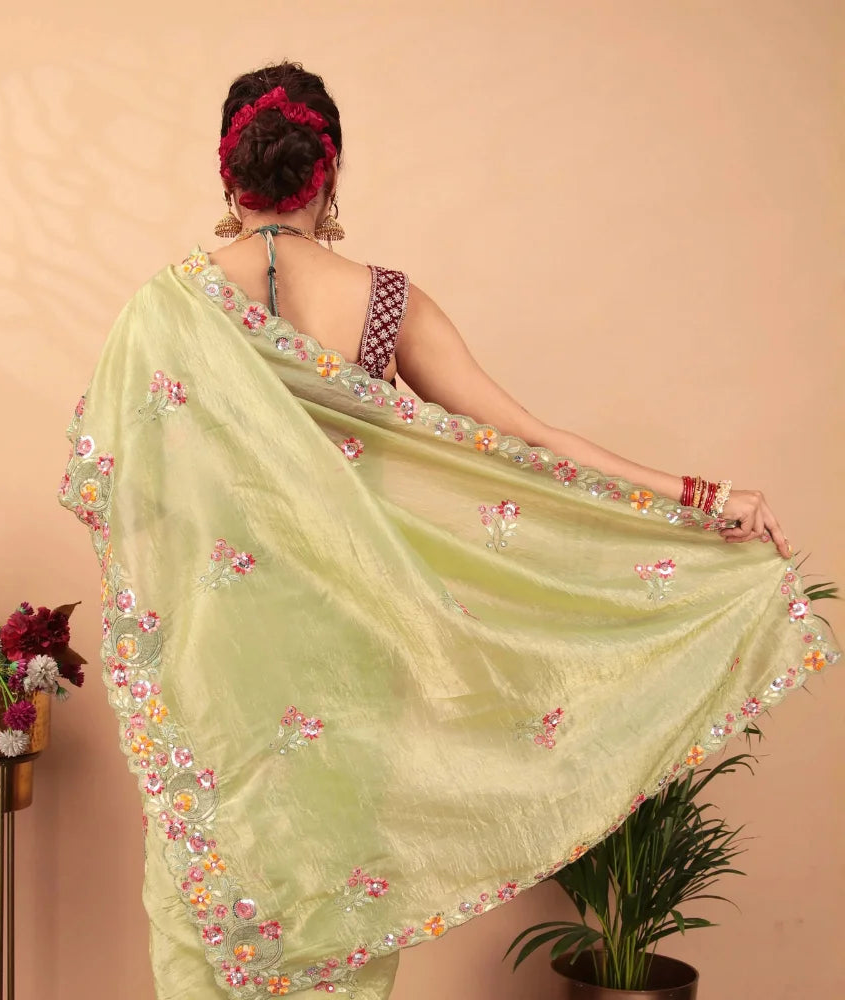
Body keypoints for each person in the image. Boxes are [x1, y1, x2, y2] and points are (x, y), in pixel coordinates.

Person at [59, 62, 838, 1000]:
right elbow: (529, 441)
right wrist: (702, 496)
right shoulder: (384, 303)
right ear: (328, 173)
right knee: (340, 896)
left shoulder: (163, 311)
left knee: (207, 912)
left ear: (229, 174)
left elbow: (122, 496)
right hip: (354, 652)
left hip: (216, 668)